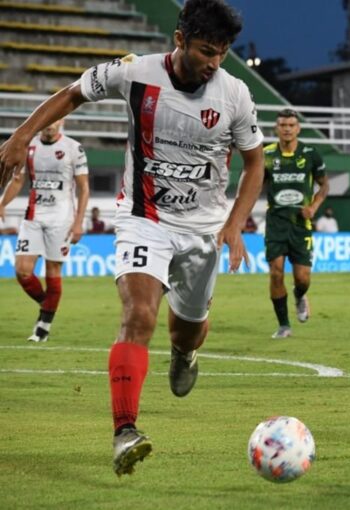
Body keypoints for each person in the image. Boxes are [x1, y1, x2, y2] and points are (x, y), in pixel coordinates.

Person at [0, 0, 265, 476]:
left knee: (190, 328)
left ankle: (184, 352)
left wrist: (234, 222)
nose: (213, 62)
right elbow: (72, 93)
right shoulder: (135, 73)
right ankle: (125, 431)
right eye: (206, 50)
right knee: (138, 313)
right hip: (144, 218)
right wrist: (22, 135)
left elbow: (254, 162)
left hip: (203, 231)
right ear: (180, 39)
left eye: (222, 53)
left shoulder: (236, 95)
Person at [0, 119, 89, 342]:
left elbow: (83, 188)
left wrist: (79, 222)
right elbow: (18, 180)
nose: (50, 126)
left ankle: (43, 327)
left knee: (52, 273)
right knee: (22, 271)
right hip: (34, 216)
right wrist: (2, 203)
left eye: (54, 121)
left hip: (62, 219)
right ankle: (46, 303)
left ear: (62, 122)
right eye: (46, 122)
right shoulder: (29, 147)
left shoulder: (73, 148)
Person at [263, 108, 329, 339]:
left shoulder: (311, 154)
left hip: (301, 224)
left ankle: (300, 295)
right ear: (276, 128)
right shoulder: (267, 155)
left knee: (302, 278)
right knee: (276, 272)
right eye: (283, 125)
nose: (287, 129)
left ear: (298, 128)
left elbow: (324, 186)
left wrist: (313, 207)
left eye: (291, 125)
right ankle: (283, 325)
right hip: (275, 223)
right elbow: (253, 186)